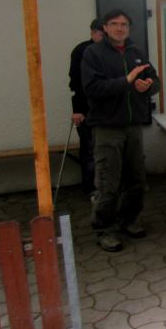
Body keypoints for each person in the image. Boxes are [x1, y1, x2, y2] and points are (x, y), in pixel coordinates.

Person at [81, 9, 160, 252]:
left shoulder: (136, 52)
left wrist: (147, 86)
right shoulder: (93, 53)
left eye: (124, 24)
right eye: (114, 24)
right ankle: (104, 229)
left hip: (133, 125)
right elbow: (92, 88)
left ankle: (129, 220)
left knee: (137, 180)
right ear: (105, 27)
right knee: (108, 182)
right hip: (107, 127)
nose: (119, 28)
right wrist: (126, 82)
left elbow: (154, 80)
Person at [68, 18, 104, 200]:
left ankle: (108, 188)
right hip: (86, 109)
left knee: (106, 150)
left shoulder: (111, 52)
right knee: (89, 150)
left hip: (107, 111)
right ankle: (90, 188)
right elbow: (75, 83)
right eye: (100, 33)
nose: (103, 37)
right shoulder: (81, 50)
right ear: (92, 32)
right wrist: (77, 110)